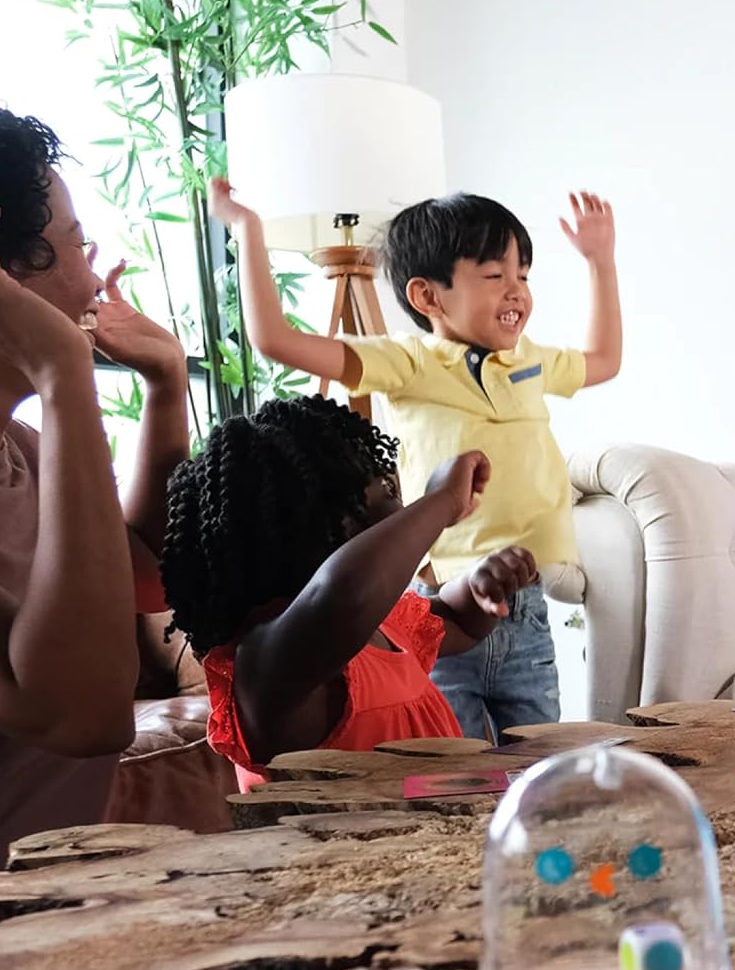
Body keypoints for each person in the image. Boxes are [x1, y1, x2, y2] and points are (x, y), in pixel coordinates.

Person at [209, 177, 622, 740]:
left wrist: (601, 262)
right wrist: (247, 230)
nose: (516, 291)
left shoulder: (531, 360)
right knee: (456, 773)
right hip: (443, 612)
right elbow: (277, 340)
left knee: (538, 763)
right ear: (428, 296)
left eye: (522, 275)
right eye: (495, 275)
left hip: (523, 606)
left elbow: (604, 360)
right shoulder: (408, 361)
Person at [0, 100, 188, 875]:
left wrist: (167, 387)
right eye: (76, 243)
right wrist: (63, 373)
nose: (93, 273)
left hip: (41, 931)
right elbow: (82, 715)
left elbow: (141, 571)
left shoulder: (21, 450)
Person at [161, 396, 538, 786]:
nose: (404, 510)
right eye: (388, 492)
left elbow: (460, 621)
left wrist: (479, 586)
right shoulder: (265, 665)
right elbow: (345, 595)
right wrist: (442, 502)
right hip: (345, 848)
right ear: (327, 524)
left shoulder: (384, 625)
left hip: (441, 844)